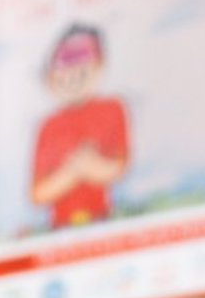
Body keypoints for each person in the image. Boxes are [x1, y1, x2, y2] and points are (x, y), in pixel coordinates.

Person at [30, 22, 130, 230]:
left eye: (81, 69)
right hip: (60, 227)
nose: (71, 77)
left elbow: (119, 166)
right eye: (63, 70)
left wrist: (92, 166)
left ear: (98, 67)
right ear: (50, 77)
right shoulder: (48, 126)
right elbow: (38, 193)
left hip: (102, 219)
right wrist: (72, 172)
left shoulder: (113, 109)